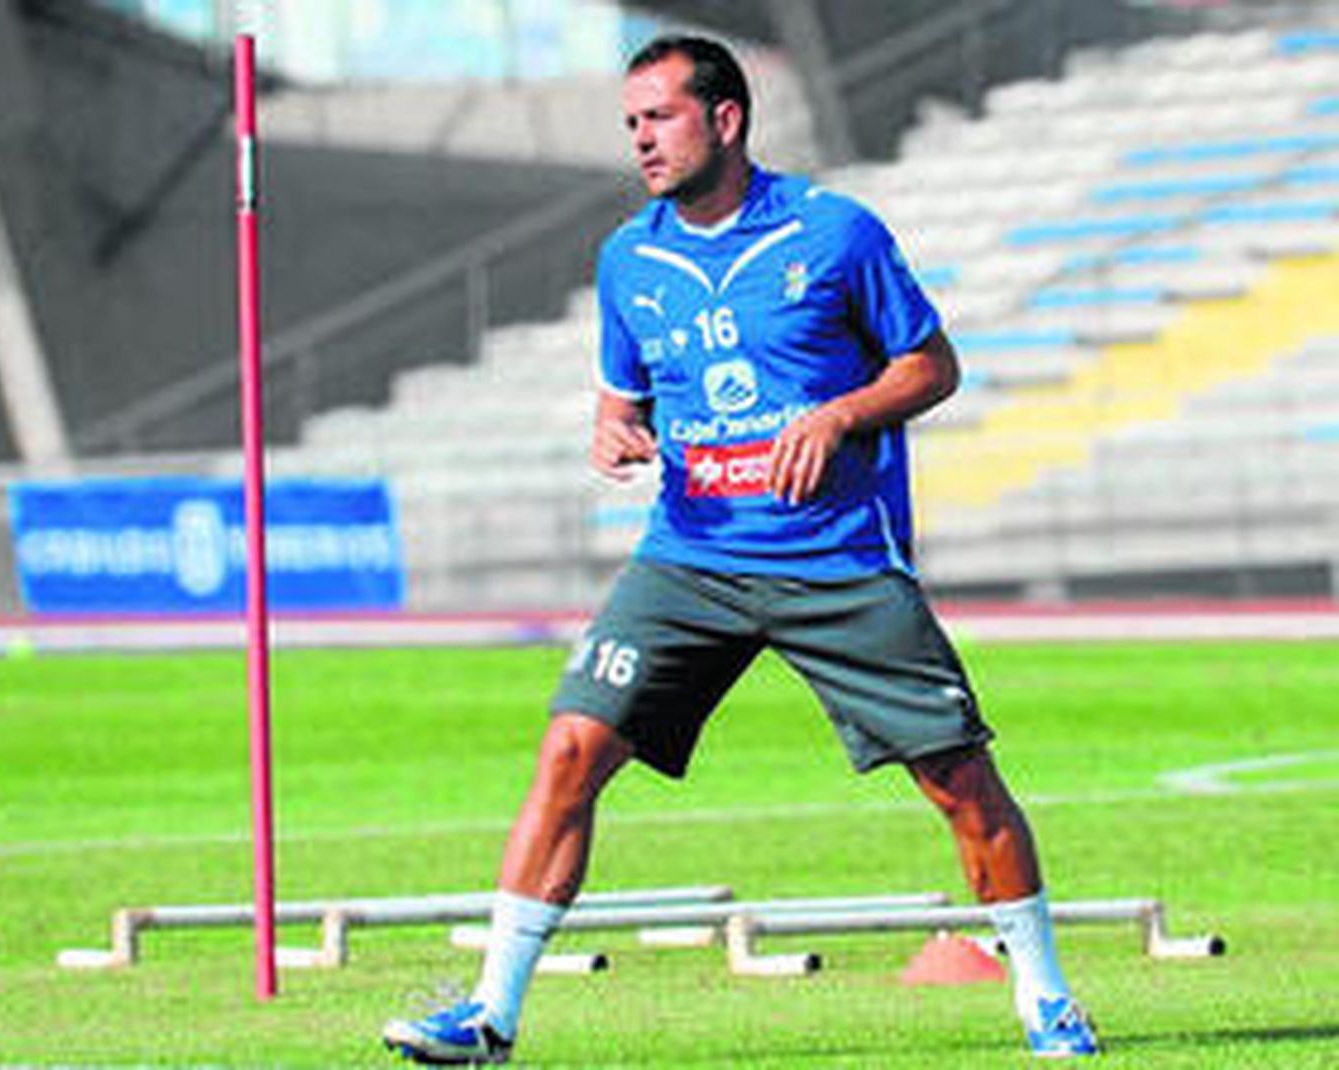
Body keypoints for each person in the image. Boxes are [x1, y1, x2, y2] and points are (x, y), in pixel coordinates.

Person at [383, 34, 1098, 1064]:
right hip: (685, 560)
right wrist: (610, 429)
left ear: (725, 119)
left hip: (836, 561)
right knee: (569, 752)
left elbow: (931, 364)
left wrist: (840, 414)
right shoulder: (630, 256)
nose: (641, 139)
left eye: (659, 116)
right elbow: (620, 397)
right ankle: (490, 1017)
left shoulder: (833, 231)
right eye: (630, 122)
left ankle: (1047, 1000)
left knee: (958, 781)